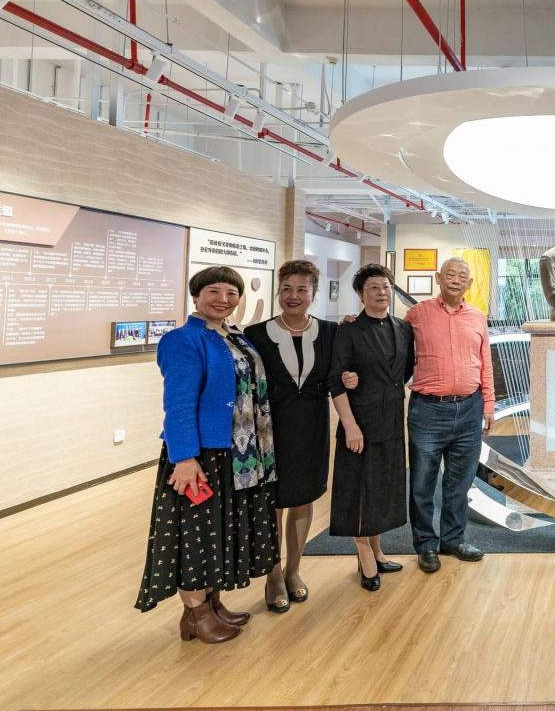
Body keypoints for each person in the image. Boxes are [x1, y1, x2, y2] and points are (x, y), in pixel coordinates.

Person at [135, 266, 279, 644]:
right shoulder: (182, 340)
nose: (223, 299)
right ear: (196, 295)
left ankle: (211, 605)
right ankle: (196, 613)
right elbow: (178, 404)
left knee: (218, 533)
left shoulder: (234, 336)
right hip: (202, 455)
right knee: (195, 536)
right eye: (213, 291)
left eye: (231, 293)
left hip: (238, 454)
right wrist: (184, 459)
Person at [243, 260, 336, 613]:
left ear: (314, 293)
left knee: (303, 498)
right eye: (286, 289)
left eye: (301, 289)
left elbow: (341, 373)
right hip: (270, 430)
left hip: (312, 426)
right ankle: (273, 575)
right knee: (273, 502)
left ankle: (294, 570)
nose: (293, 296)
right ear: (278, 291)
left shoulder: (330, 332)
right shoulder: (255, 334)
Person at [405, 256, 495, 573]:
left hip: (469, 408)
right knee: (422, 484)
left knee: (459, 483)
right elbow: (391, 344)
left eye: (462, 276)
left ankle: (453, 540)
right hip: (427, 410)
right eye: (450, 274)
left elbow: (485, 361)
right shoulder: (417, 314)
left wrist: (488, 404)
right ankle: (426, 545)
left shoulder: (477, 317)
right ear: (438, 278)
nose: (456, 280)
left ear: (469, 283)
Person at [328, 264, 414, 592]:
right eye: (373, 287)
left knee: (381, 488)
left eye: (385, 286)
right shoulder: (348, 330)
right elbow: (336, 381)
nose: (381, 292)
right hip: (359, 422)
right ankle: (364, 553)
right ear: (361, 295)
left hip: (391, 420)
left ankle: (377, 551)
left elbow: (404, 371)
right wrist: (350, 426)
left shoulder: (403, 328)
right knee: (359, 488)